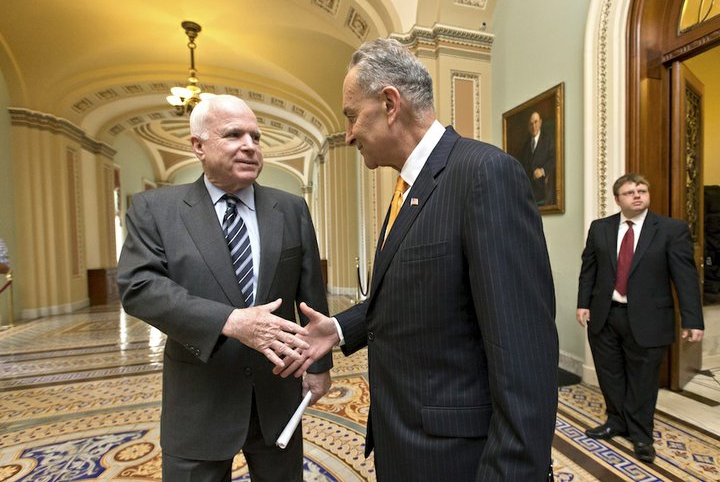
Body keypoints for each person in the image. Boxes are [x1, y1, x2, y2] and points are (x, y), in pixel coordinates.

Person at [280, 38, 559, 481]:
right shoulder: (406, 189)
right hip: (403, 441)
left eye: (352, 116)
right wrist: (337, 329)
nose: (349, 133)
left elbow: (524, 354)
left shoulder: (483, 175)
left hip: (456, 457)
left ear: (390, 103)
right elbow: (416, 292)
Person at [117, 95, 332, 481]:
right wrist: (229, 321)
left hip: (276, 393)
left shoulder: (291, 208)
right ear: (198, 146)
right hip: (200, 397)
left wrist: (318, 365)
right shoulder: (155, 209)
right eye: (233, 134)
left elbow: (310, 294)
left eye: (255, 136)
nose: (250, 145)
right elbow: (139, 286)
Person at [576, 173, 704, 463]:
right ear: (617, 198)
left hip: (649, 319)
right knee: (610, 374)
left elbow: (685, 278)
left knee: (643, 380)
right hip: (606, 315)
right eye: (630, 191)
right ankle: (615, 421)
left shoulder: (671, 230)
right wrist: (583, 303)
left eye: (642, 190)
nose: (637, 195)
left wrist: (693, 319)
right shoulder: (600, 228)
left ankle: (641, 434)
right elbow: (589, 270)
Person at [516, 111, 555, 206]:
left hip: (542, 189)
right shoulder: (525, 146)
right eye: (531, 124)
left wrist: (543, 170)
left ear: (540, 122)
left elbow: (554, 159)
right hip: (528, 192)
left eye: (536, 122)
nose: (533, 126)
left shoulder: (548, 140)